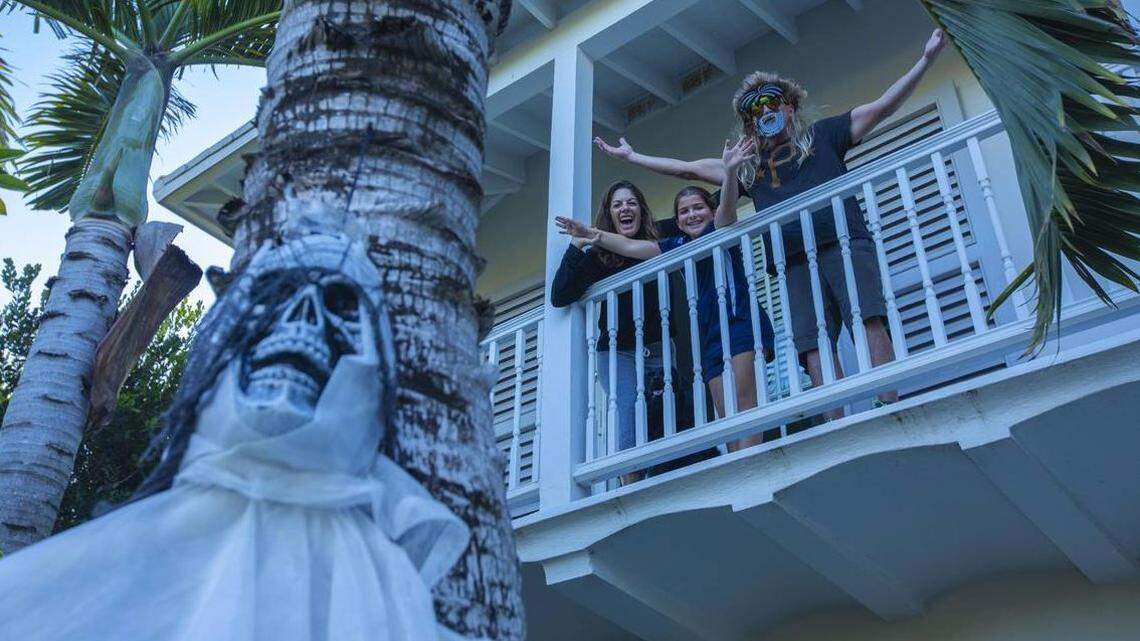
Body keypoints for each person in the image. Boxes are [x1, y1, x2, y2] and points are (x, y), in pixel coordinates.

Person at [595, 29, 948, 417]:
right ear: (749, 124)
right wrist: (634, 158)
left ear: (790, 107)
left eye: (771, 103)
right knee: (811, 342)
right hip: (793, 262)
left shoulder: (824, 136)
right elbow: (686, 170)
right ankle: (835, 418)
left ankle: (889, 402)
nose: (764, 112)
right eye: (754, 110)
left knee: (867, 319)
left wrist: (927, 59)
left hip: (845, 243)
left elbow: (882, 106)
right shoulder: (749, 168)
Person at [559, 138, 775, 451]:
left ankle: (752, 468)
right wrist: (591, 235)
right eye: (684, 212)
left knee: (744, 403)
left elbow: (726, 207)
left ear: (710, 212)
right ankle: (739, 467)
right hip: (710, 335)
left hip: (739, 322)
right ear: (677, 221)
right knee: (727, 417)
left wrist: (729, 173)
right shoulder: (676, 246)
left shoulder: (721, 228)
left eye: (698, 208)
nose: (691, 215)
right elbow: (632, 247)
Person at [551, 180, 668, 485]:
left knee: (664, 412)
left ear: (641, 210)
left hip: (659, 344)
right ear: (609, 214)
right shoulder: (600, 257)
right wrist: (578, 244)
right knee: (628, 418)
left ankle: (665, 479)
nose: (625, 209)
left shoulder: (662, 236)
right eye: (617, 205)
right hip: (617, 350)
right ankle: (630, 487)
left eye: (631, 203)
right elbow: (560, 295)